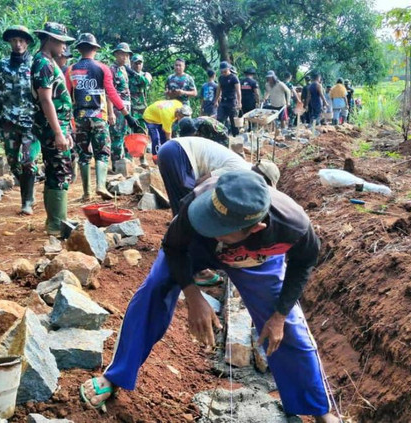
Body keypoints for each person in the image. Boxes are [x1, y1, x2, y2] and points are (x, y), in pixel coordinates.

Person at [79, 170, 340, 423]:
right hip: (194, 250)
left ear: (256, 227)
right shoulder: (197, 206)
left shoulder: (292, 225)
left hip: (254, 260)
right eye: (209, 220)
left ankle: (318, 408)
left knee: (287, 326)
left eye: (220, 228)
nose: (210, 227)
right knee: (154, 289)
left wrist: (280, 315)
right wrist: (193, 296)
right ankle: (116, 375)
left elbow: (303, 264)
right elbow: (172, 247)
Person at [65, 33, 141, 201]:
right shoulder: (103, 68)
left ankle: (86, 193)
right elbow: (112, 93)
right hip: (99, 116)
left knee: (83, 154)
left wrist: (67, 120)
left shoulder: (71, 69)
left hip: (79, 117)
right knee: (102, 152)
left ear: (79, 49)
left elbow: (67, 96)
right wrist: (126, 115)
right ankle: (100, 186)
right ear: (95, 49)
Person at [30, 22, 75, 236]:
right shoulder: (43, 64)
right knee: (59, 171)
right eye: (61, 42)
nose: (64, 47)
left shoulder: (47, 61)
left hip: (56, 127)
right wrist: (58, 132)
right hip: (50, 129)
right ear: (49, 40)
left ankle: (55, 220)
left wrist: (65, 130)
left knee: (54, 171)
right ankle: (57, 225)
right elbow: (46, 100)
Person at [0, 26, 39, 215]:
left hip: (30, 123)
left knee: (28, 162)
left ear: (26, 42)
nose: (17, 44)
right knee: (13, 162)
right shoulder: (3, 65)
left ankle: (26, 201)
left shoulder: (35, 64)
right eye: (14, 41)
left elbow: (42, 95)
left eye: (21, 41)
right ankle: (28, 191)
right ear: (10, 43)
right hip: (8, 121)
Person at [108, 42, 135, 165]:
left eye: (127, 55)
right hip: (117, 108)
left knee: (126, 134)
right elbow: (109, 92)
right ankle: (116, 163)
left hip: (127, 106)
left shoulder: (124, 69)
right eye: (122, 55)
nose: (125, 57)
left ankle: (125, 163)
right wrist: (110, 113)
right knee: (117, 136)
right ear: (116, 54)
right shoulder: (112, 70)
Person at [214, 62, 241, 136]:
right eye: (222, 71)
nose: (223, 73)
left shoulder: (234, 78)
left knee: (234, 123)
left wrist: (239, 102)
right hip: (223, 102)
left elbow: (238, 91)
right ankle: (221, 136)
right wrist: (216, 100)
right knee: (220, 120)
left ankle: (236, 138)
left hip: (232, 102)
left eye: (225, 71)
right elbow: (218, 90)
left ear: (228, 69)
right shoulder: (221, 78)